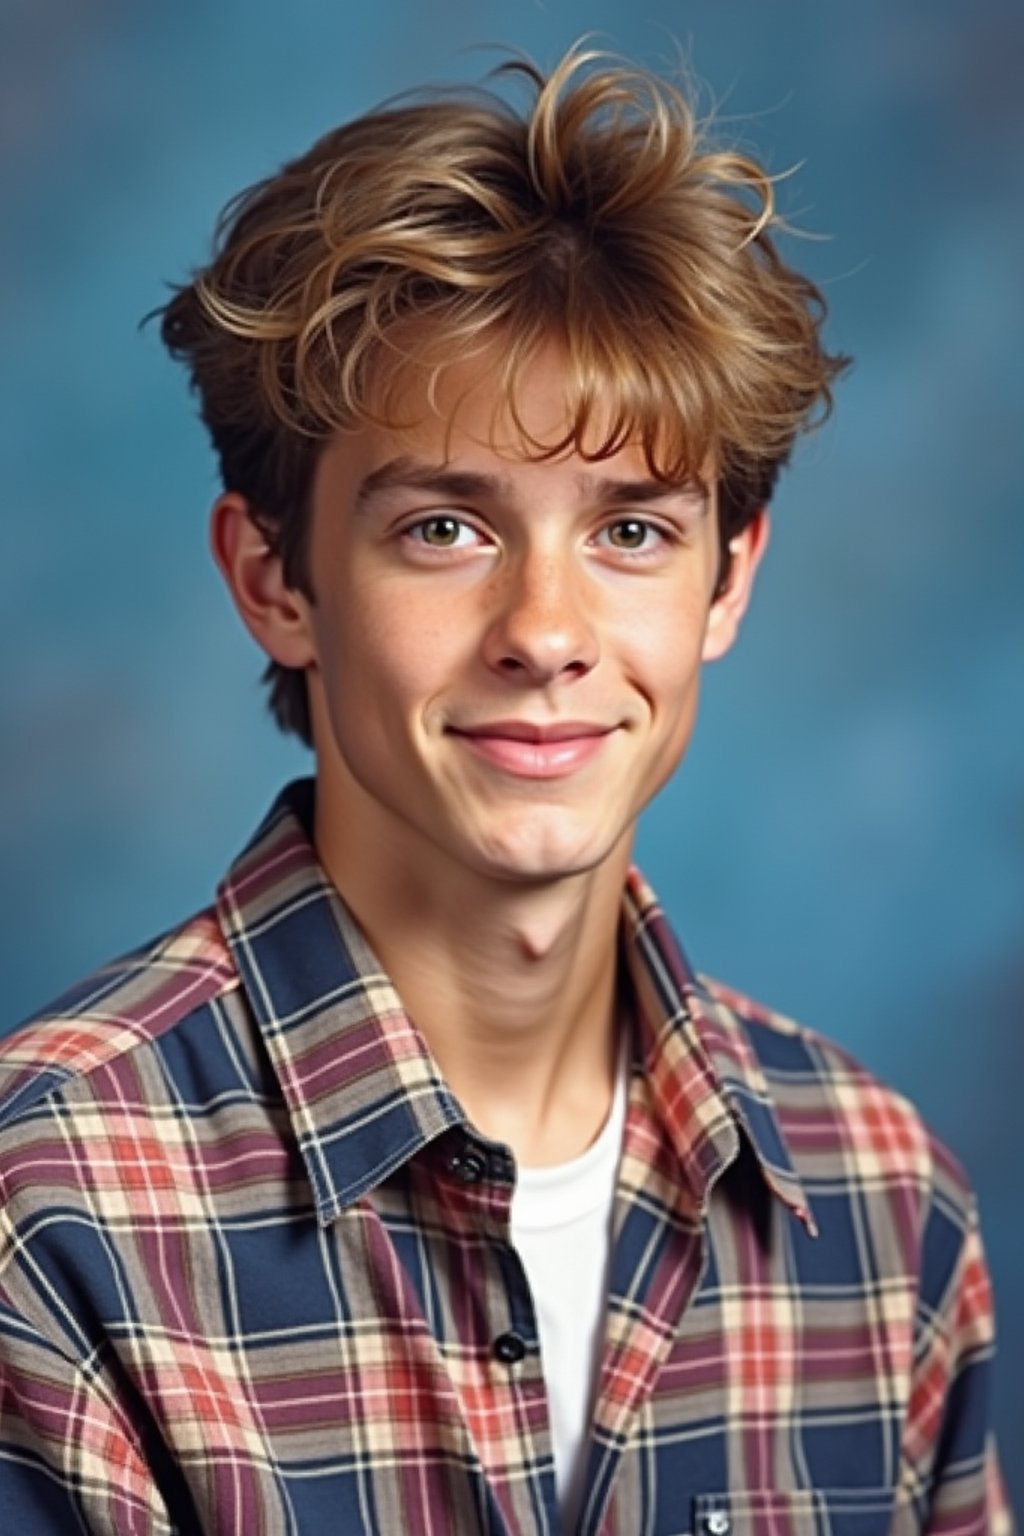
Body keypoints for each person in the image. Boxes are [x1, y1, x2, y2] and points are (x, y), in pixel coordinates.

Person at [0, 45, 1010, 1536]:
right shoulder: (57, 1205)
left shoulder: (883, 1206)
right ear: (275, 579)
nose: (546, 632)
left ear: (730, 581)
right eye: (444, 529)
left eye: (633, 534)